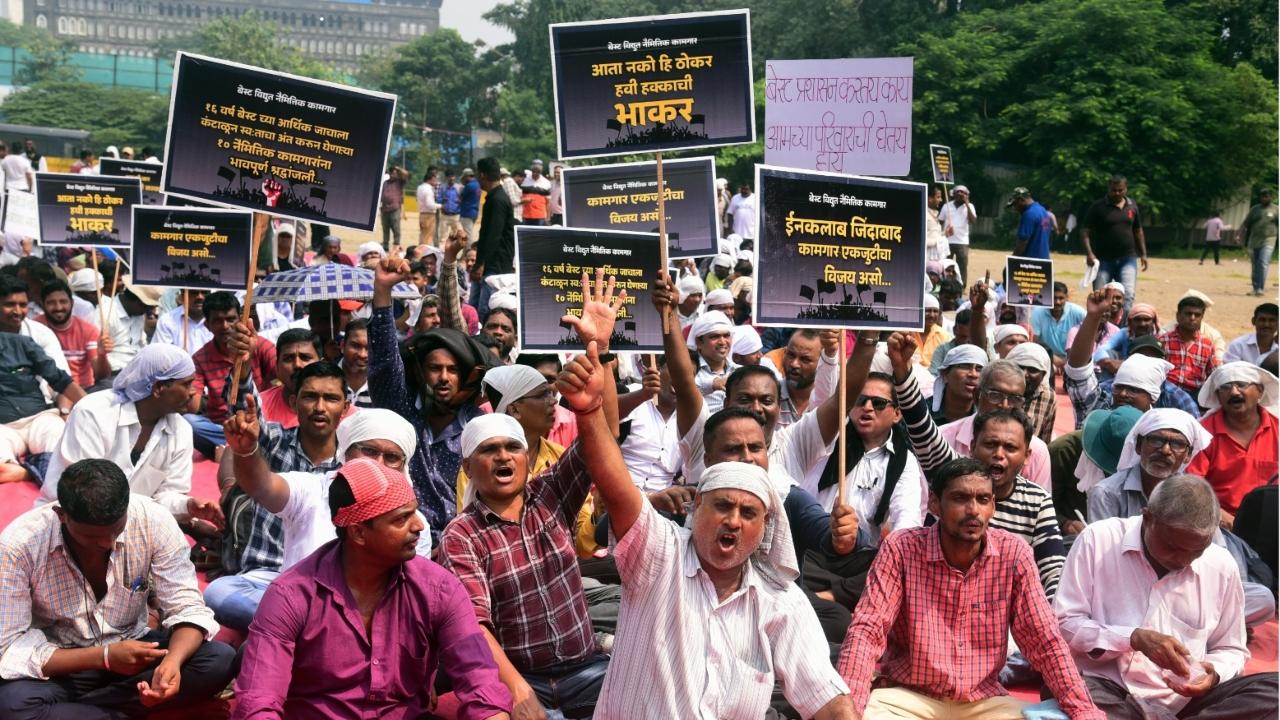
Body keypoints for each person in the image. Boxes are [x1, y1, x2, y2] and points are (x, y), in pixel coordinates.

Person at [439, 273, 626, 719]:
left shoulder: (550, 495)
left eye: (511, 449)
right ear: (468, 467)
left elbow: (605, 438)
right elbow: (474, 625)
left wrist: (600, 354)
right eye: (488, 451)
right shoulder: (461, 535)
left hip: (586, 669)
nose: (503, 457)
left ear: (527, 459)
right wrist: (518, 690)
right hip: (519, 680)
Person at [231, 457, 512, 719]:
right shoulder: (291, 594)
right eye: (401, 519)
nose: (418, 526)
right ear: (358, 532)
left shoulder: (439, 589)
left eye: (414, 512)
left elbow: (481, 683)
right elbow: (259, 701)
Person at [838, 457, 1104, 719]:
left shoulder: (1014, 554)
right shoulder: (901, 549)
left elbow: (1045, 641)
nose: (974, 510)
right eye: (960, 498)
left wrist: (1084, 712)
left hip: (983, 703)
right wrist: (848, 711)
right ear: (934, 504)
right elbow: (867, 631)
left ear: (993, 506)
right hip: (908, 698)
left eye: (983, 500)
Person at [0, 459, 236, 718]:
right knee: (12, 703)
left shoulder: (152, 520)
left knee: (218, 660)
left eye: (116, 530)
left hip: (136, 648)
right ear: (62, 516)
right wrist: (104, 657)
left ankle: (82, 712)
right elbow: (10, 647)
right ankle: (119, 710)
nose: (108, 543)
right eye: (91, 537)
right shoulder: (18, 546)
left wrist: (172, 664)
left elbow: (187, 606)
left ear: (126, 507)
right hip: (63, 662)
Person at [1056, 475, 1278, 718]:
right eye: (1173, 547)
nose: (1183, 560)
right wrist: (1132, 638)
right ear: (1148, 518)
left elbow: (1232, 649)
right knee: (1069, 688)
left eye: (1197, 551)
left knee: (1274, 691)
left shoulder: (1220, 564)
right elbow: (1064, 624)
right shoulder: (1098, 540)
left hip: (1186, 702)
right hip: (1106, 687)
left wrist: (1212, 673)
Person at [885, 333, 1066, 597]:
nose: (999, 455)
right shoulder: (951, 470)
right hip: (937, 595)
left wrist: (1049, 615)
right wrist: (903, 373)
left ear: (1026, 455)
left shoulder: (1037, 501)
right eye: (990, 445)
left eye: (1010, 448)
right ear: (972, 446)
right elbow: (921, 427)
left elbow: (1053, 571)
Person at [370, 251, 492, 543]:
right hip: (404, 543)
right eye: (435, 368)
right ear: (421, 373)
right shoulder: (402, 414)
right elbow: (385, 362)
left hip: (463, 545)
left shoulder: (478, 426)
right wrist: (383, 292)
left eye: (453, 370)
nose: (444, 377)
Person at [38, 344, 221, 522]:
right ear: (158, 388)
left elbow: (168, 495)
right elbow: (85, 492)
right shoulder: (94, 412)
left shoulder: (181, 430)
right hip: (69, 518)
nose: (193, 392)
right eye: (187, 384)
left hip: (128, 523)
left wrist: (188, 506)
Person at [815, 371, 927, 543]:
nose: (867, 407)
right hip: (810, 541)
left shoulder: (904, 461)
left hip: (861, 556)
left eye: (878, 403)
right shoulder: (830, 436)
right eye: (860, 400)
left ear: (897, 414)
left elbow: (907, 517)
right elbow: (822, 394)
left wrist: (896, 556)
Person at [1066, 291, 1202, 427]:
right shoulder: (1103, 403)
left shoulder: (1165, 425)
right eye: (1119, 387)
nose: (1123, 394)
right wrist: (1093, 316)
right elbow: (1078, 371)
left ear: (1153, 397)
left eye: (1134, 390)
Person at [1187, 362, 1279, 527]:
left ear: (1260, 391)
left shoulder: (1277, 428)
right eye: (1226, 387)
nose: (1234, 392)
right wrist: (1230, 522)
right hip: (1218, 523)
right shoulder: (1203, 433)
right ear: (1218, 396)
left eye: (1242, 385)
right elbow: (1192, 486)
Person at [186, 292, 277, 457]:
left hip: (259, 422)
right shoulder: (200, 358)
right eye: (217, 321)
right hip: (222, 426)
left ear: (241, 319)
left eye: (230, 319)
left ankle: (225, 450)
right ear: (207, 325)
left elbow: (284, 375)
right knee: (187, 423)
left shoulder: (260, 345)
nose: (225, 326)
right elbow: (192, 406)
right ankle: (232, 445)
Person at [1081, 175, 1147, 308]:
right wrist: (1089, 253)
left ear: (1126, 189)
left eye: (1120, 190)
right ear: (1108, 188)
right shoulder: (1098, 206)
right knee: (1100, 297)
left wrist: (1143, 253)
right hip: (1103, 260)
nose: (1117, 193)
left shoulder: (1132, 205)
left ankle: (1122, 327)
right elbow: (1084, 231)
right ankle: (1100, 327)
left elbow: (1138, 230)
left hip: (1128, 258)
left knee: (1127, 295)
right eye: (1113, 190)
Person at [35, 280, 111, 388]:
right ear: (42, 304)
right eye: (51, 302)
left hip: (82, 391)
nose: (58, 307)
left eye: (63, 301)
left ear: (72, 303)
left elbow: (101, 375)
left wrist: (102, 355)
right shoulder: (35, 328)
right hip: (47, 391)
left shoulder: (88, 330)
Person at [470, 158, 516, 317]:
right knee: (475, 308)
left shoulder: (497, 200)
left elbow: (493, 236)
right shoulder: (496, 197)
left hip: (495, 266)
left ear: (482, 175)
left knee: (486, 311)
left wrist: (481, 263)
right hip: (491, 262)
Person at [1157, 294, 1218, 396]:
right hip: (1165, 391)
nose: (1192, 318)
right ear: (1178, 315)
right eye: (1188, 314)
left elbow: (1213, 374)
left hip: (1195, 394)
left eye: (1197, 315)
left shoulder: (1207, 345)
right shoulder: (1163, 340)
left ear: (1202, 317)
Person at [105, 284, 163, 374]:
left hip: (137, 368)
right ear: (134, 301)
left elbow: (142, 343)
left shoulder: (138, 314)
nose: (148, 311)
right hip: (114, 371)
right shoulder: (107, 313)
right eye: (146, 307)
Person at [687, 310, 737, 412]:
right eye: (715, 336)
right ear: (699, 342)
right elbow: (681, 392)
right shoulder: (689, 372)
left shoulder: (739, 371)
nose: (722, 342)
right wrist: (711, 384)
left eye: (726, 335)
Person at [1006, 342, 1056, 444]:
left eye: (1033, 370)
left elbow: (1045, 440)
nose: (1024, 374)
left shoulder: (1048, 396)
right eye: (1019, 367)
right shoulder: (997, 391)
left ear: (1043, 374)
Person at [928, 343, 987, 425]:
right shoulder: (920, 413)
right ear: (945, 374)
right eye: (964, 366)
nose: (973, 374)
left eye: (979, 369)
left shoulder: (985, 419)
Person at [1030, 282, 1085, 366]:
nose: (1057, 302)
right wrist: (1053, 359)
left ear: (1067, 298)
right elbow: (1034, 342)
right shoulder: (1038, 312)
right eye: (1054, 298)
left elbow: (1092, 334)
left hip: (1074, 359)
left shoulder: (1078, 312)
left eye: (1061, 298)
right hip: (1046, 358)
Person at [1238, 188, 1277, 296]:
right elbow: (1245, 224)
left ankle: (1260, 288)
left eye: (1267, 196)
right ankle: (1255, 288)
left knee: (1263, 262)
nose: (1264, 198)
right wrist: (1238, 235)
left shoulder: (1276, 209)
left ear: (1271, 197)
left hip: (1269, 239)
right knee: (1255, 265)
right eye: (1262, 196)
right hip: (1254, 240)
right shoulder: (1255, 209)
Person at [152, 289, 210, 355]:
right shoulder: (167, 321)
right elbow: (161, 355)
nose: (200, 297)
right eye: (194, 292)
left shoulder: (219, 320)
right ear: (182, 296)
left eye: (205, 292)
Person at [938, 185, 976, 282]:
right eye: (958, 193)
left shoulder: (970, 206)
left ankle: (961, 286)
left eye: (964, 194)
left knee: (962, 265)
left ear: (967, 195)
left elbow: (972, 220)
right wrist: (942, 233)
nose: (961, 195)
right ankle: (944, 283)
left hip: (962, 242)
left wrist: (966, 203)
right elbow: (940, 222)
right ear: (954, 195)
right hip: (947, 240)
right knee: (945, 264)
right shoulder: (946, 206)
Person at [1009, 186, 1053, 259]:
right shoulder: (1043, 212)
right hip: (1045, 262)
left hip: (1030, 263)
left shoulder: (1029, 214)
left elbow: (1022, 243)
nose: (1015, 208)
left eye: (1015, 204)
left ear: (1021, 200)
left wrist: (1011, 263)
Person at [340, 318, 371, 408]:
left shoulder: (383, 385)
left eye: (369, 348)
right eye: (355, 346)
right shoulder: (326, 379)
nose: (362, 355)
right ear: (342, 346)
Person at [379, 165, 407, 250]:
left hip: (395, 209)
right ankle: (385, 245)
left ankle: (396, 245)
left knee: (396, 229)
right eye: (393, 173)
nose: (394, 175)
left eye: (396, 173)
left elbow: (406, 174)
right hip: (384, 209)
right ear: (390, 173)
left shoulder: (400, 182)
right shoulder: (385, 183)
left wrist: (398, 169)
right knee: (385, 229)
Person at [521, 159, 552, 226]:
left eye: (537, 172)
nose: (535, 173)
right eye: (533, 171)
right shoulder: (524, 180)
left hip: (540, 216)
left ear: (541, 171)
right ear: (531, 170)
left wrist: (548, 218)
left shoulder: (547, 183)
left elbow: (548, 203)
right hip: (525, 215)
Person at [416, 167, 440, 246]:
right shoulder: (428, 189)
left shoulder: (420, 187)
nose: (436, 181)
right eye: (435, 179)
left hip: (422, 214)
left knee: (423, 236)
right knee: (428, 238)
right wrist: (441, 206)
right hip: (429, 215)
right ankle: (424, 254)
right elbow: (430, 204)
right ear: (431, 179)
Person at [926, 186, 948, 262]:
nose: (941, 200)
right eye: (938, 197)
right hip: (926, 258)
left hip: (936, 257)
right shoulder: (923, 215)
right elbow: (921, 240)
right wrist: (938, 241)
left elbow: (933, 234)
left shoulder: (934, 214)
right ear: (930, 199)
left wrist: (945, 233)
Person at [459, 167, 482, 244]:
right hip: (474, 212)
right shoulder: (478, 184)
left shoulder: (469, 186)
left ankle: (468, 252)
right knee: (469, 232)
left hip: (467, 212)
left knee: (467, 235)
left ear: (467, 176)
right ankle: (466, 252)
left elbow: (460, 198)